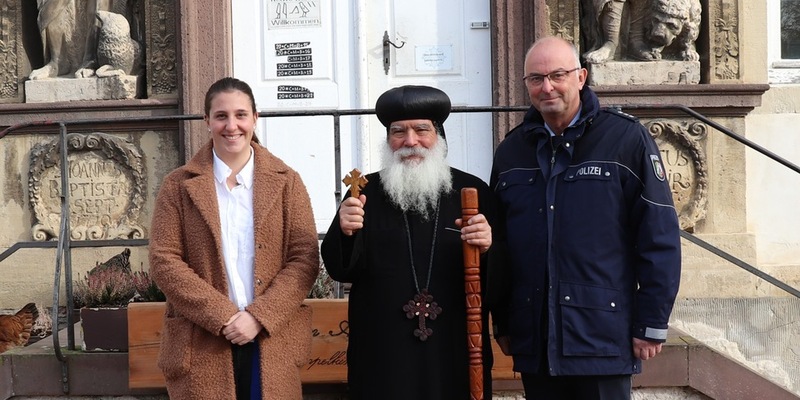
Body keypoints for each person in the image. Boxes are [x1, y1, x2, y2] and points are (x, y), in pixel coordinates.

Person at [489, 36, 682, 399]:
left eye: (557, 75)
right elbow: (500, 246)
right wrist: (503, 320)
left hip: (602, 336)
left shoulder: (626, 140)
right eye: (536, 78)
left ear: (581, 77)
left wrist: (652, 321)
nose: (547, 87)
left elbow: (659, 237)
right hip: (535, 338)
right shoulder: (512, 151)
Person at [149, 77, 319, 400]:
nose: (232, 126)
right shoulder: (177, 186)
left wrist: (258, 317)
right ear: (207, 121)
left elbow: (304, 258)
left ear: (255, 118)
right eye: (221, 116)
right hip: (202, 340)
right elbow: (164, 261)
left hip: (270, 338)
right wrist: (223, 316)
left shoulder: (288, 182)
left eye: (241, 115)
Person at [321, 85, 496, 399]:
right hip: (383, 353)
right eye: (398, 131)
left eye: (421, 130)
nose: (410, 141)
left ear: (439, 136)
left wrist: (487, 248)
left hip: (452, 347)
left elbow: (501, 274)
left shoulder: (471, 192)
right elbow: (340, 269)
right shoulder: (363, 193)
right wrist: (346, 234)